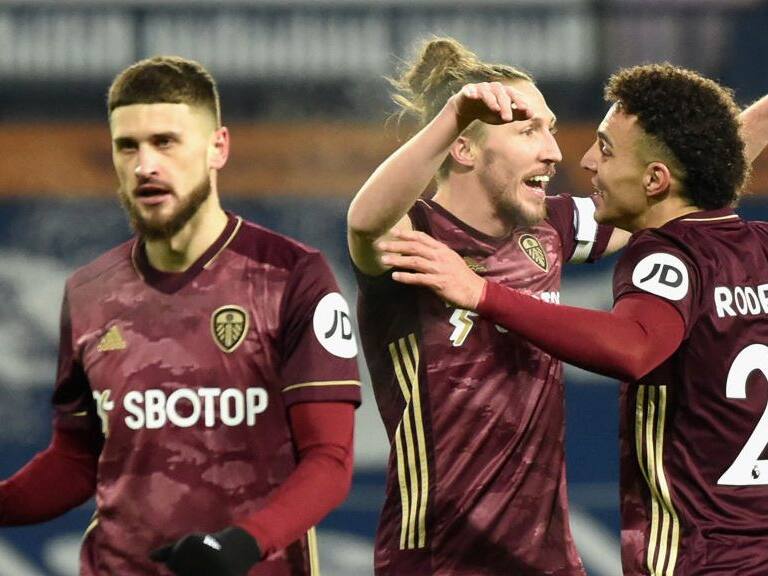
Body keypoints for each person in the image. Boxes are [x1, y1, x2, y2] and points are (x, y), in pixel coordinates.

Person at [378, 64, 768, 575]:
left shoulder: (664, 255)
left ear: (655, 178)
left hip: (697, 558)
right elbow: (688, 167)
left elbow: (633, 345)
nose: (580, 160)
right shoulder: (758, 246)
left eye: (605, 149)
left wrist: (482, 294)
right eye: (530, 130)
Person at [0, 56, 361, 576]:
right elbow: (77, 460)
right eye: (128, 146)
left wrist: (242, 545)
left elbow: (329, 461)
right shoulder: (87, 292)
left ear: (218, 148)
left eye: (165, 142)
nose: (145, 165)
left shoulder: (292, 276)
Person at [347, 37, 630, 575]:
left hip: (548, 560)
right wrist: (453, 115)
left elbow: (675, 191)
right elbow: (365, 223)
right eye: (528, 131)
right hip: (438, 558)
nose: (553, 151)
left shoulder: (549, 229)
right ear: (464, 149)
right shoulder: (415, 238)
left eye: (549, 128)